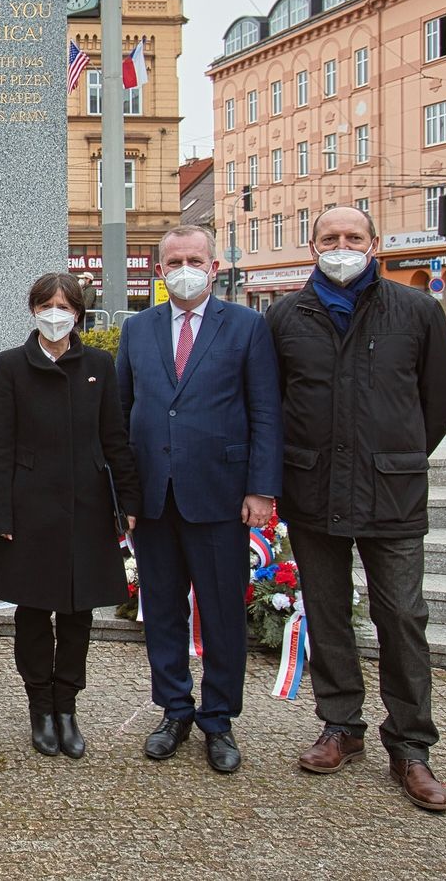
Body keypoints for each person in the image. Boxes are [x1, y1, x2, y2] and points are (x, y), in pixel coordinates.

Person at [268, 207, 446, 811]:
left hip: (391, 494)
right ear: (312, 246)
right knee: (326, 612)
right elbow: (271, 404)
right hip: (313, 491)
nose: (342, 247)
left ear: (374, 244)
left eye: (353, 238)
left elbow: (440, 400)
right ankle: (341, 726)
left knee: (402, 616)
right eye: (330, 238)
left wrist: (395, 455)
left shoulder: (416, 311)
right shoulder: (284, 317)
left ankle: (411, 746)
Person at [117, 226, 281, 773]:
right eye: (173, 260)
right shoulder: (137, 329)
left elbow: (265, 412)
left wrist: (261, 488)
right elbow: (122, 413)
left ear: (213, 267)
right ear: (159, 269)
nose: (183, 267)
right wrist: (126, 493)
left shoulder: (247, 326)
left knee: (220, 614)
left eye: (194, 259)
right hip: (155, 498)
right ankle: (174, 709)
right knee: (161, 611)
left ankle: (218, 719)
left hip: (220, 495)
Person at [0, 272, 140, 759]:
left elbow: (114, 436)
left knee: (77, 614)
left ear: (79, 312)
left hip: (88, 506)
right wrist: (1, 512)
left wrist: (128, 503)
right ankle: (39, 707)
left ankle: (66, 705)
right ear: (33, 308)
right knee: (33, 612)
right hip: (31, 507)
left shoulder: (99, 363)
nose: (56, 314)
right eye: (47, 304)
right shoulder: (10, 364)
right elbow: (4, 445)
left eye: (65, 306)